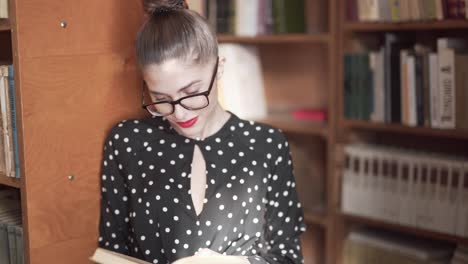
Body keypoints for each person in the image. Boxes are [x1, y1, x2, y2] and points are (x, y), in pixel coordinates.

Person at [97, 0, 307, 263]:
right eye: (161, 98)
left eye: (192, 93)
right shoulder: (127, 141)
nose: (180, 114)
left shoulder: (267, 145)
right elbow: (111, 252)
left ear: (218, 68)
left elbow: (288, 257)